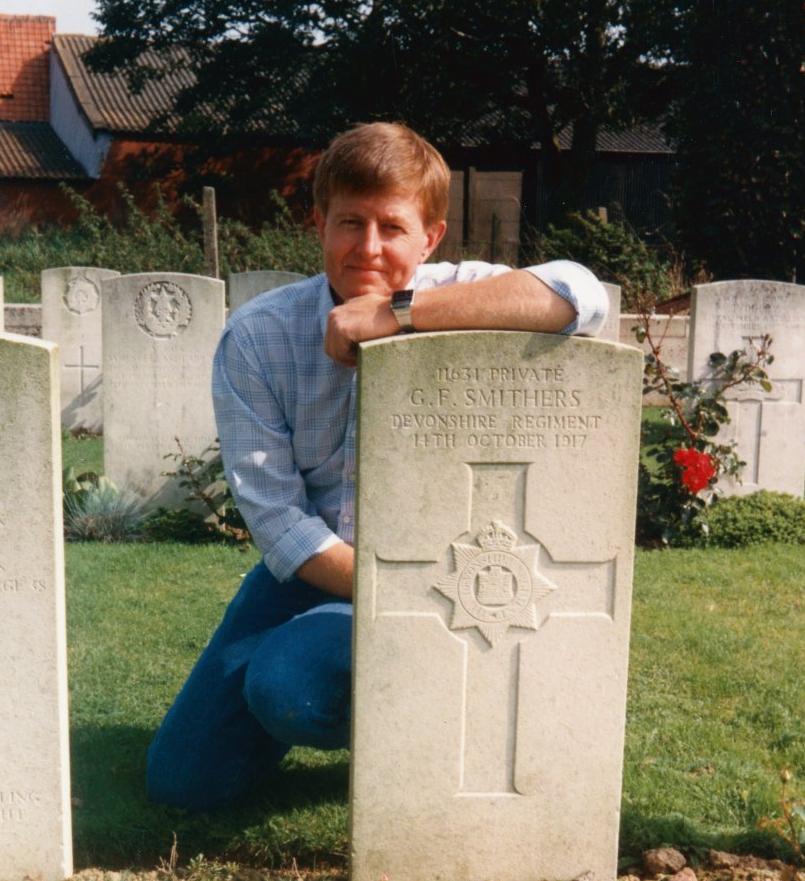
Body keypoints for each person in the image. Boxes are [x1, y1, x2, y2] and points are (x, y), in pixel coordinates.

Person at [147, 122, 608, 810]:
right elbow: (278, 523)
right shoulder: (259, 337)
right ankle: (368, 693)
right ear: (318, 224)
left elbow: (579, 295)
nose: (367, 248)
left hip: (449, 566)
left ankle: (426, 728)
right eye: (348, 223)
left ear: (430, 237)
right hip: (317, 572)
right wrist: (404, 597)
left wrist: (400, 315)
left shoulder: (463, 293)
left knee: (292, 680)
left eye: (392, 228)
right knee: (187, 781)